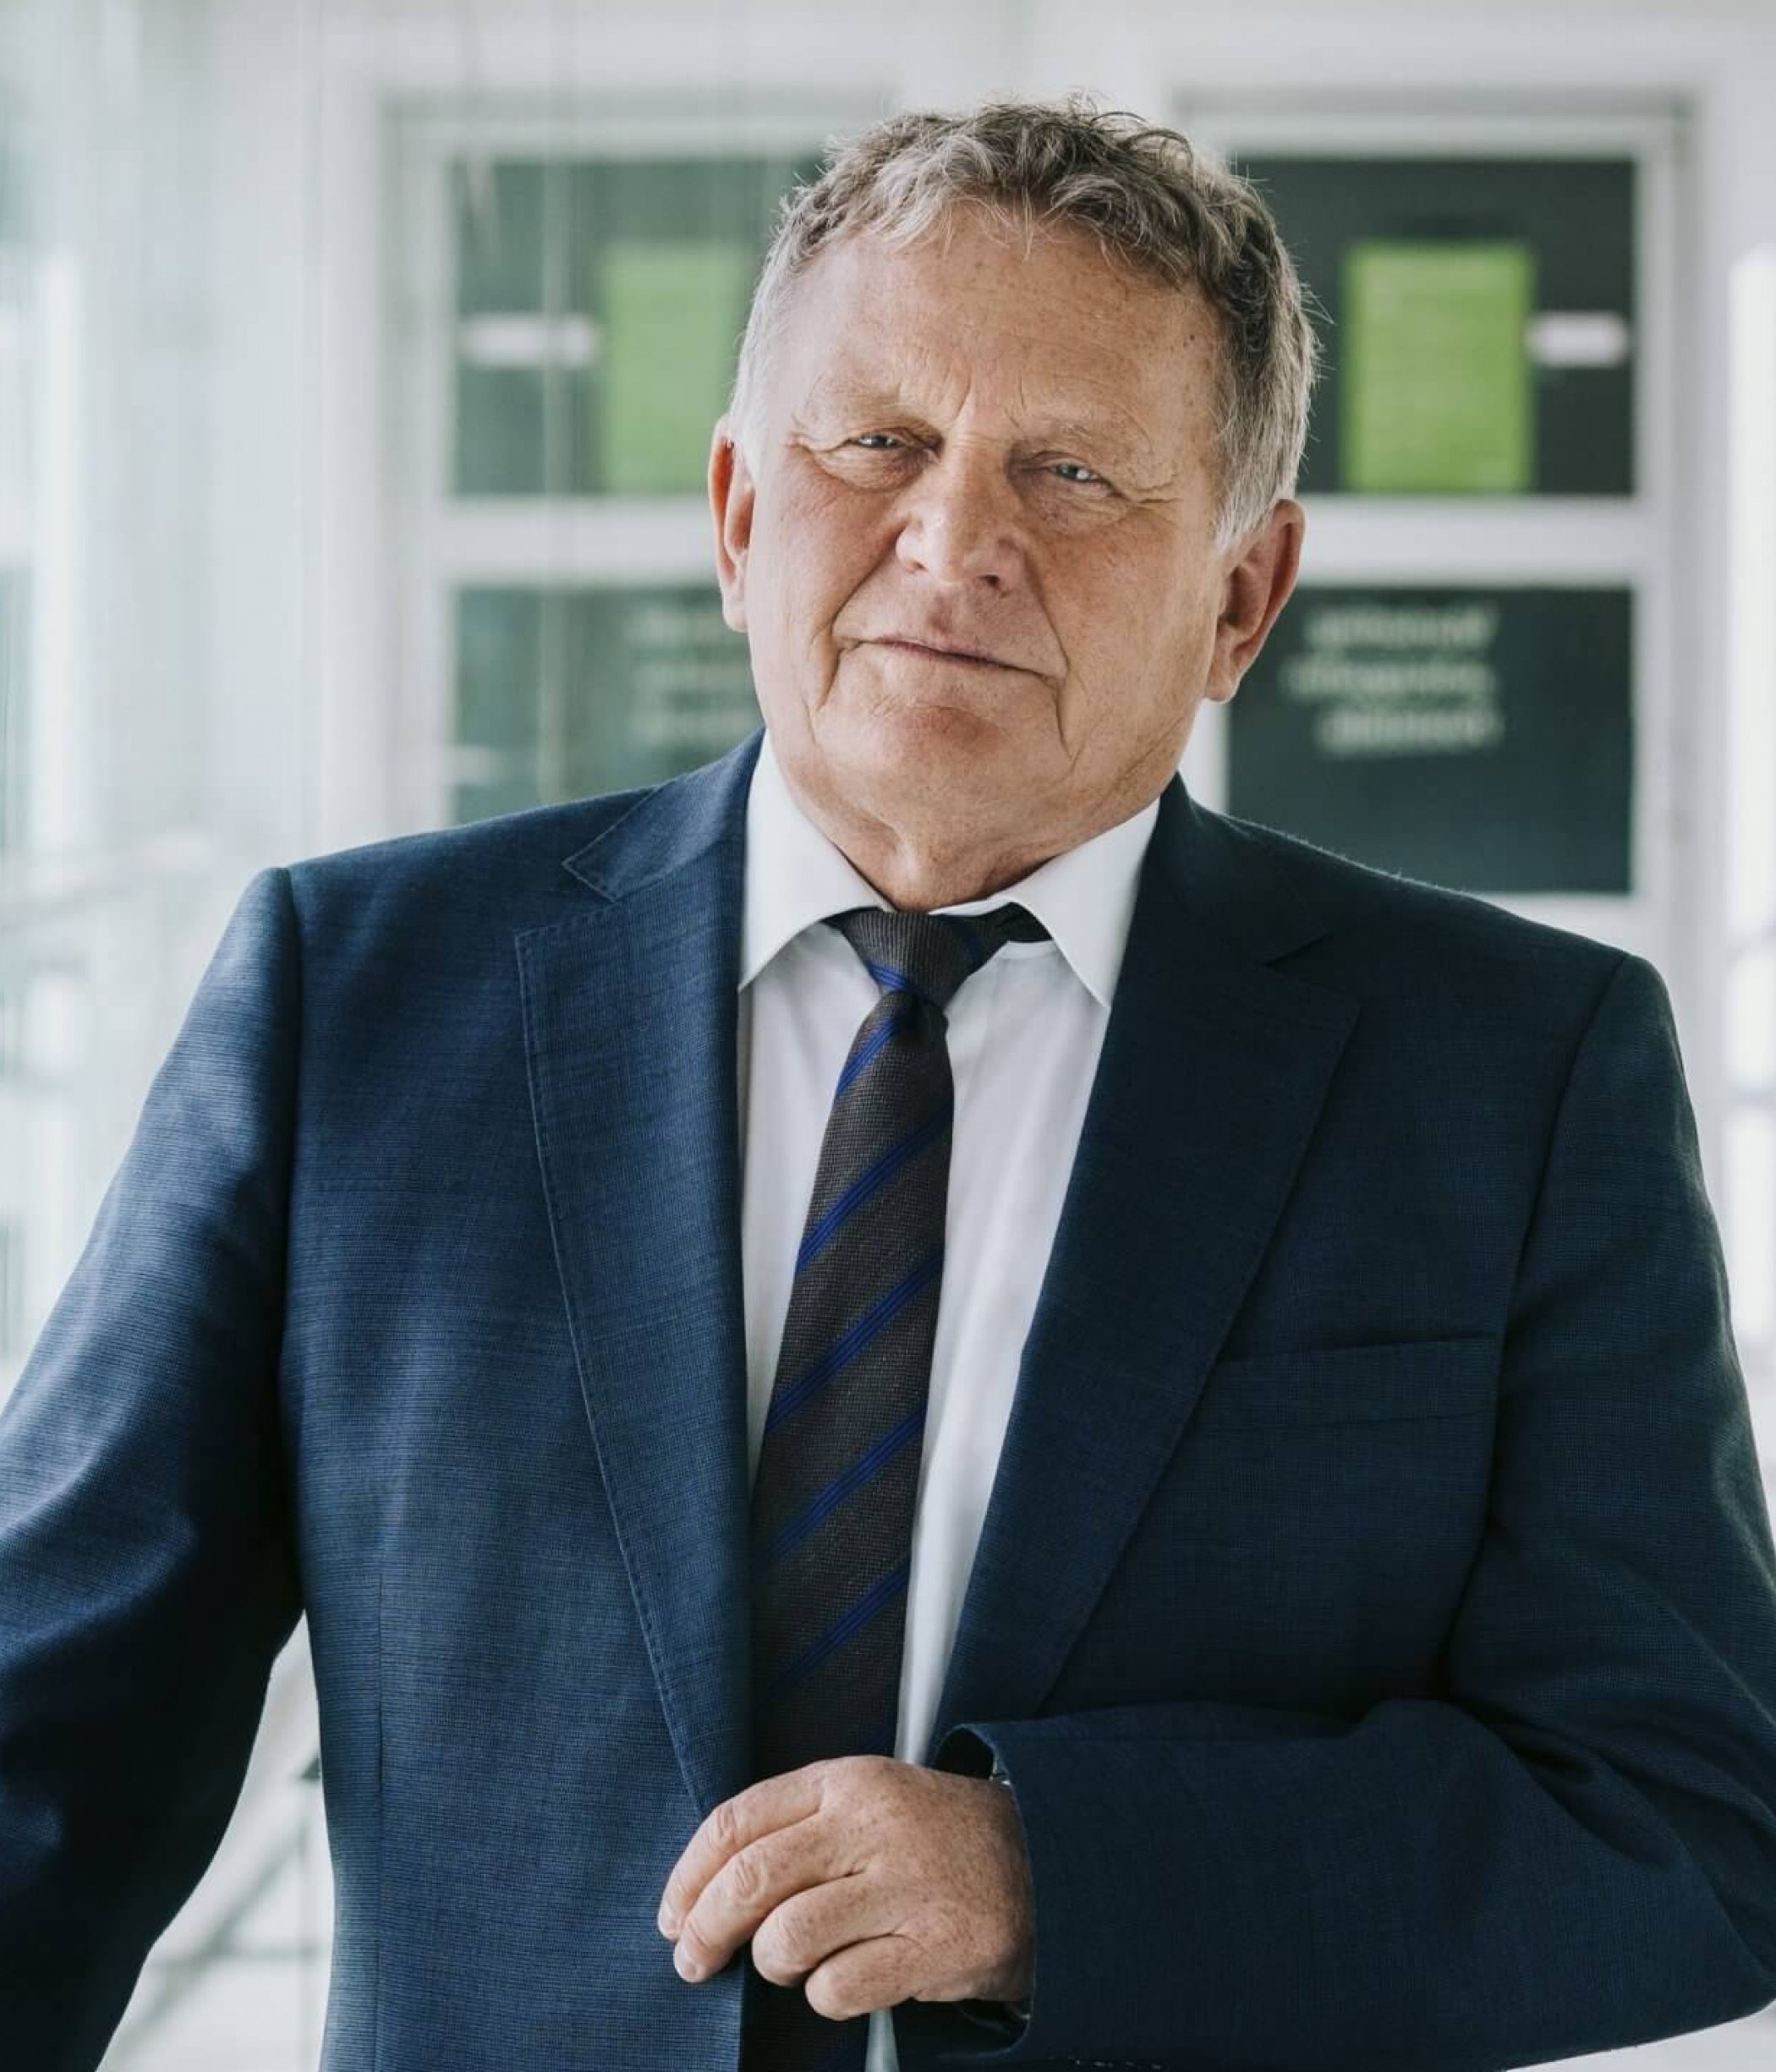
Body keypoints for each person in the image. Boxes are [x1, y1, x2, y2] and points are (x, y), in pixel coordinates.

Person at [3, 92, 1775, 2072]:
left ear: (1242, 600)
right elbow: (45, 1740)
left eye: (1077, 471)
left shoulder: (1516, 1075)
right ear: (745, 512)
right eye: (880, 444)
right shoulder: (356, 1004)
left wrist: (1055, 1875)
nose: (956, 540)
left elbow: (1691, 1821)